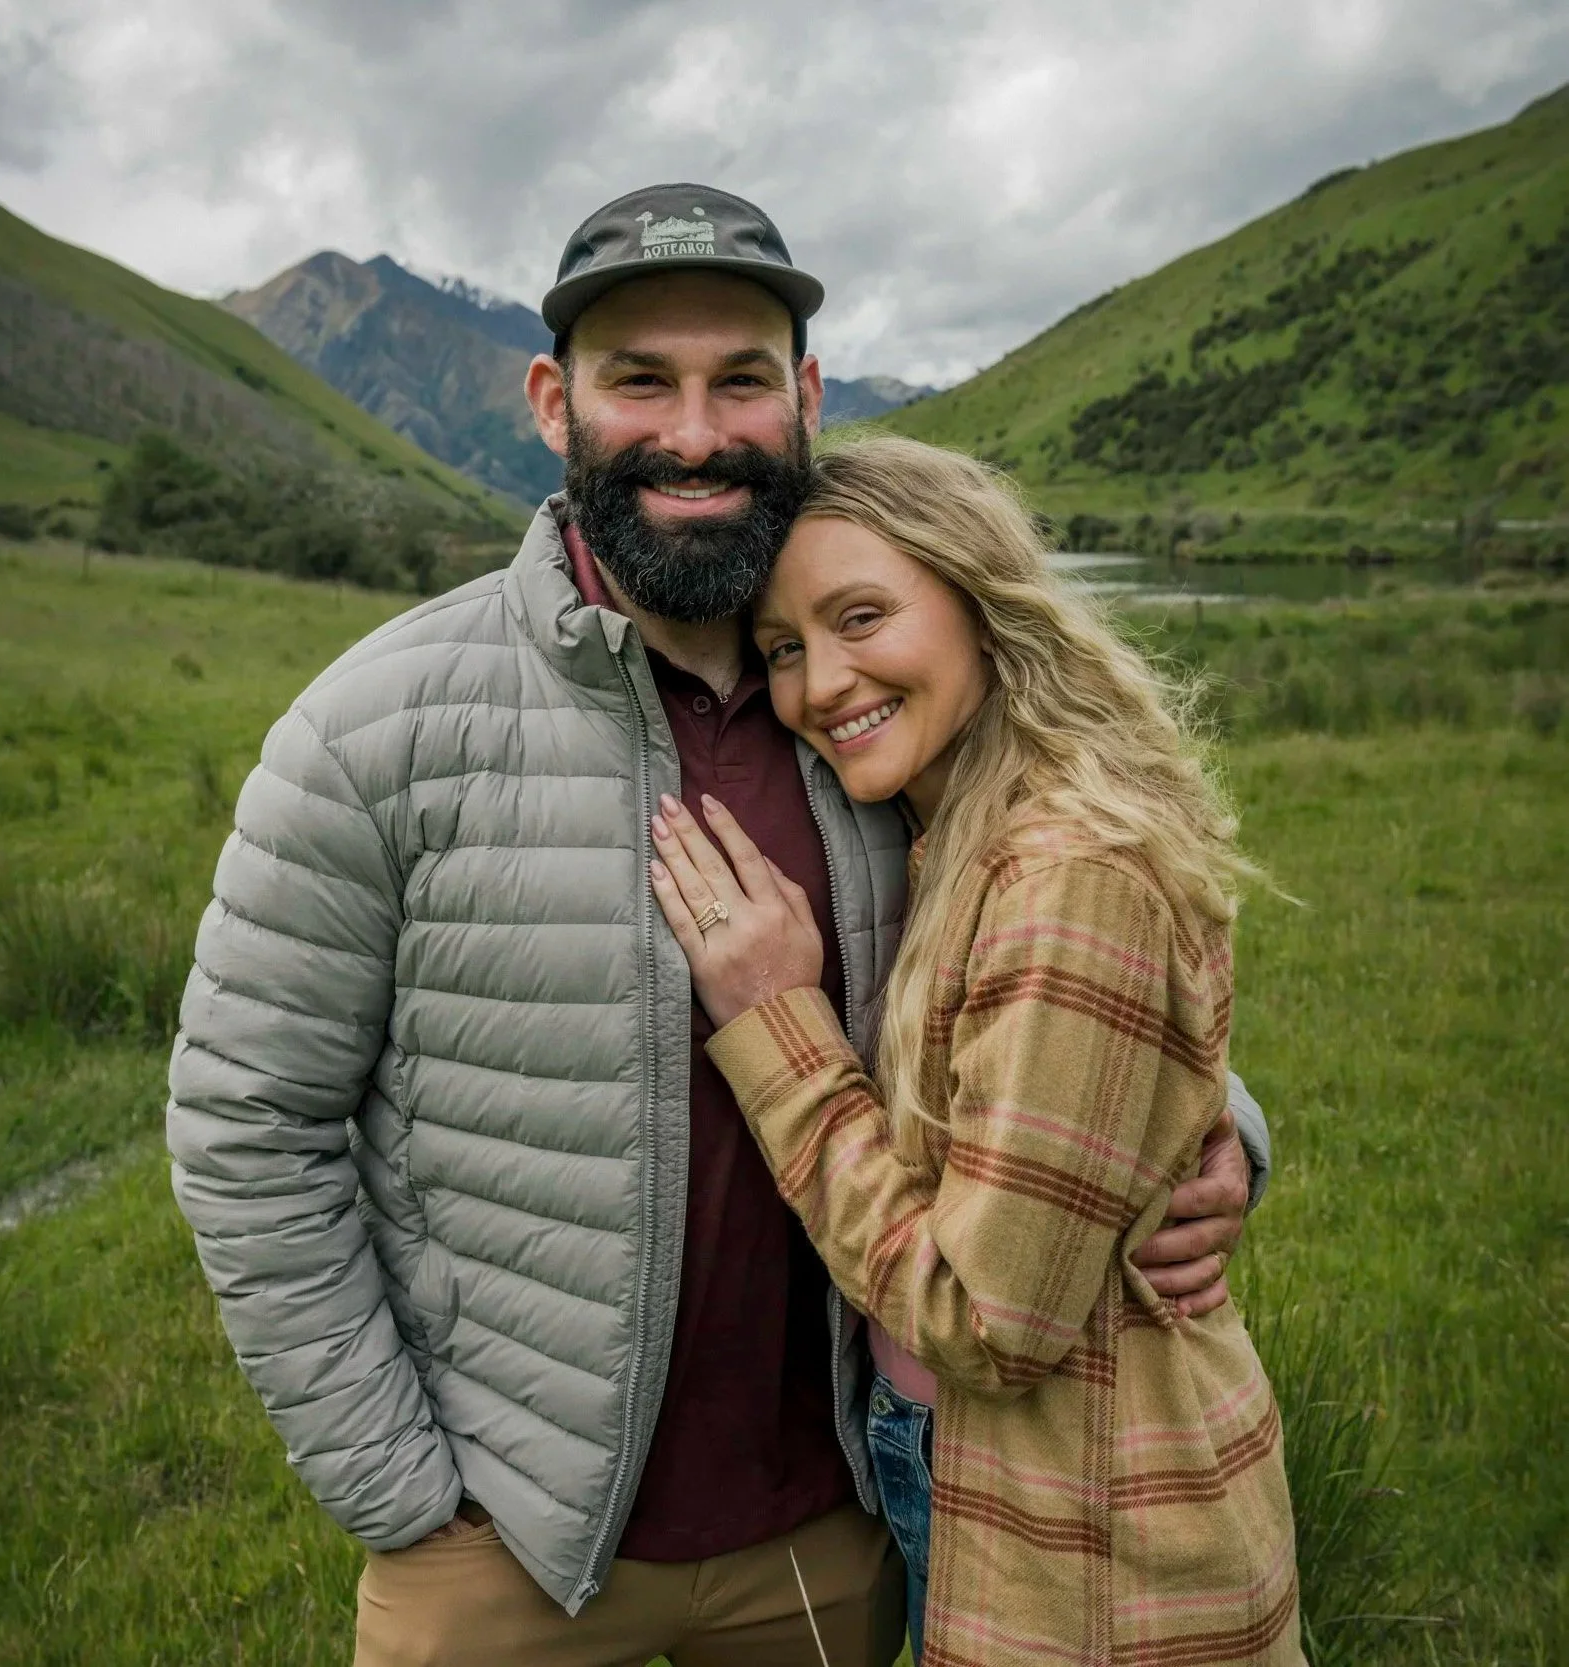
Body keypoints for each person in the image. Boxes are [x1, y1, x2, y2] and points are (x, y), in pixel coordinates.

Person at [166, 185, 1272, 1667]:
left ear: (804, 400)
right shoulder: (376, 725)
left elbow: (1050, 972)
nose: (693, 433)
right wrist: (400, 1488)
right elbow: (248, 1121)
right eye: (640, 380)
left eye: (739, 379)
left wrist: (1217, 1129)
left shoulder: (876, 726)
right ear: (552, 402)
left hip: (833, 1523)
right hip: (502, 1541)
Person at [647, 432, 1303, 1666]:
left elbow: (988, 1321)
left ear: (979, 597)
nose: (820, 683)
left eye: (860, 616)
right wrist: (1223, 1127)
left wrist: (772, 1023)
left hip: (1094, 1523)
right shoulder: (954, 824)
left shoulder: (1066, 873)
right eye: (782, 648)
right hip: (985, 1475)